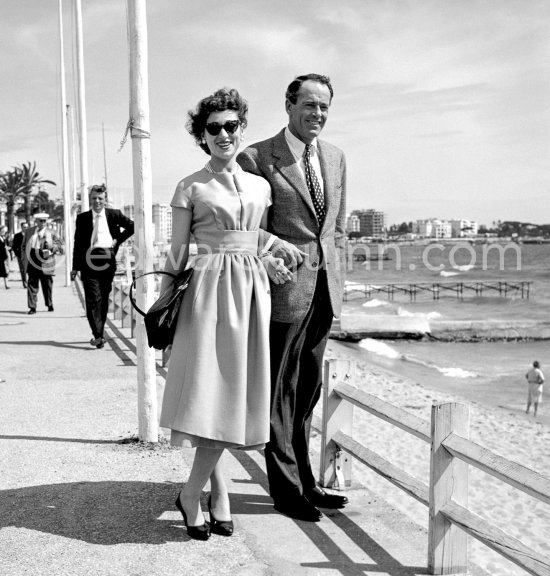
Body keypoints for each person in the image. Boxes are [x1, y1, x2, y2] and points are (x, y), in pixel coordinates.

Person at [159, 87, 291, 541]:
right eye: (213, 128)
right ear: (202, 135)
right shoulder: (190, 186)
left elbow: (255, 236)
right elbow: (177, 256)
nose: (223, 134)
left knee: (235, 396)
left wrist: (271, 254)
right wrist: (165, 321)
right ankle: (196, 494)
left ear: (242, 128)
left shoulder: (260, 186)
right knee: (211, 398)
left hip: (252, 293)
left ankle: (215, 495)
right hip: (209, 294)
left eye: (231, 125)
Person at [237, 73, 348, 522]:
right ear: (288, 104)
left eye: (324, 106)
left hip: (325, 289)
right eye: (309, 105)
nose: (317, 114)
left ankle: (305, 481)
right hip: (283, 288)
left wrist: (337, 276)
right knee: (279, 392)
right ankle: (286, 491)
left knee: (307, 391)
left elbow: (336, 227)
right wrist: (271, 252)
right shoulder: (257, 157)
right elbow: (244, 224)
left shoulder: (336, 157)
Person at [71, 185, 134, 349]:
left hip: (107, 258)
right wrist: (75, 267)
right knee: (92, 298)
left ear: (105, 199)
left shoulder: (114, 215)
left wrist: (117, 240)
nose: (97, 201)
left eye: (100, 198)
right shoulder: (82, 218)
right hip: (88, 259)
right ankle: (98, 335)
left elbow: (132, 226)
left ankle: (99, 331)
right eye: (94, 198)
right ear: (90, 199)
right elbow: (78, 243)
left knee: (104, 296)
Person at [21, 213, 61, 314]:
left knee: (47, 285)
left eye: (45, 221)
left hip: (46, 260)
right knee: (32, 284)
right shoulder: (29, 231)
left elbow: (60, 246)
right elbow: (23, 245)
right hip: (33, 258)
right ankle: (32, 307)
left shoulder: (52, 232)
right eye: (41, 221)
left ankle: (49, 303)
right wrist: (23, 259)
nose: (43, 223)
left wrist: (52, 247)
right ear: (36, 221)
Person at [11, 222, 29, 287]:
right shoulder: (17, 236)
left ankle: (29, 282)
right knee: (22, 269)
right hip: (20, 256)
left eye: (27, 227)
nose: (26, 228)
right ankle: (24, 282)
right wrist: (17, 254)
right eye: (24, 227)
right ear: (21, 227)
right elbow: (14, 246)